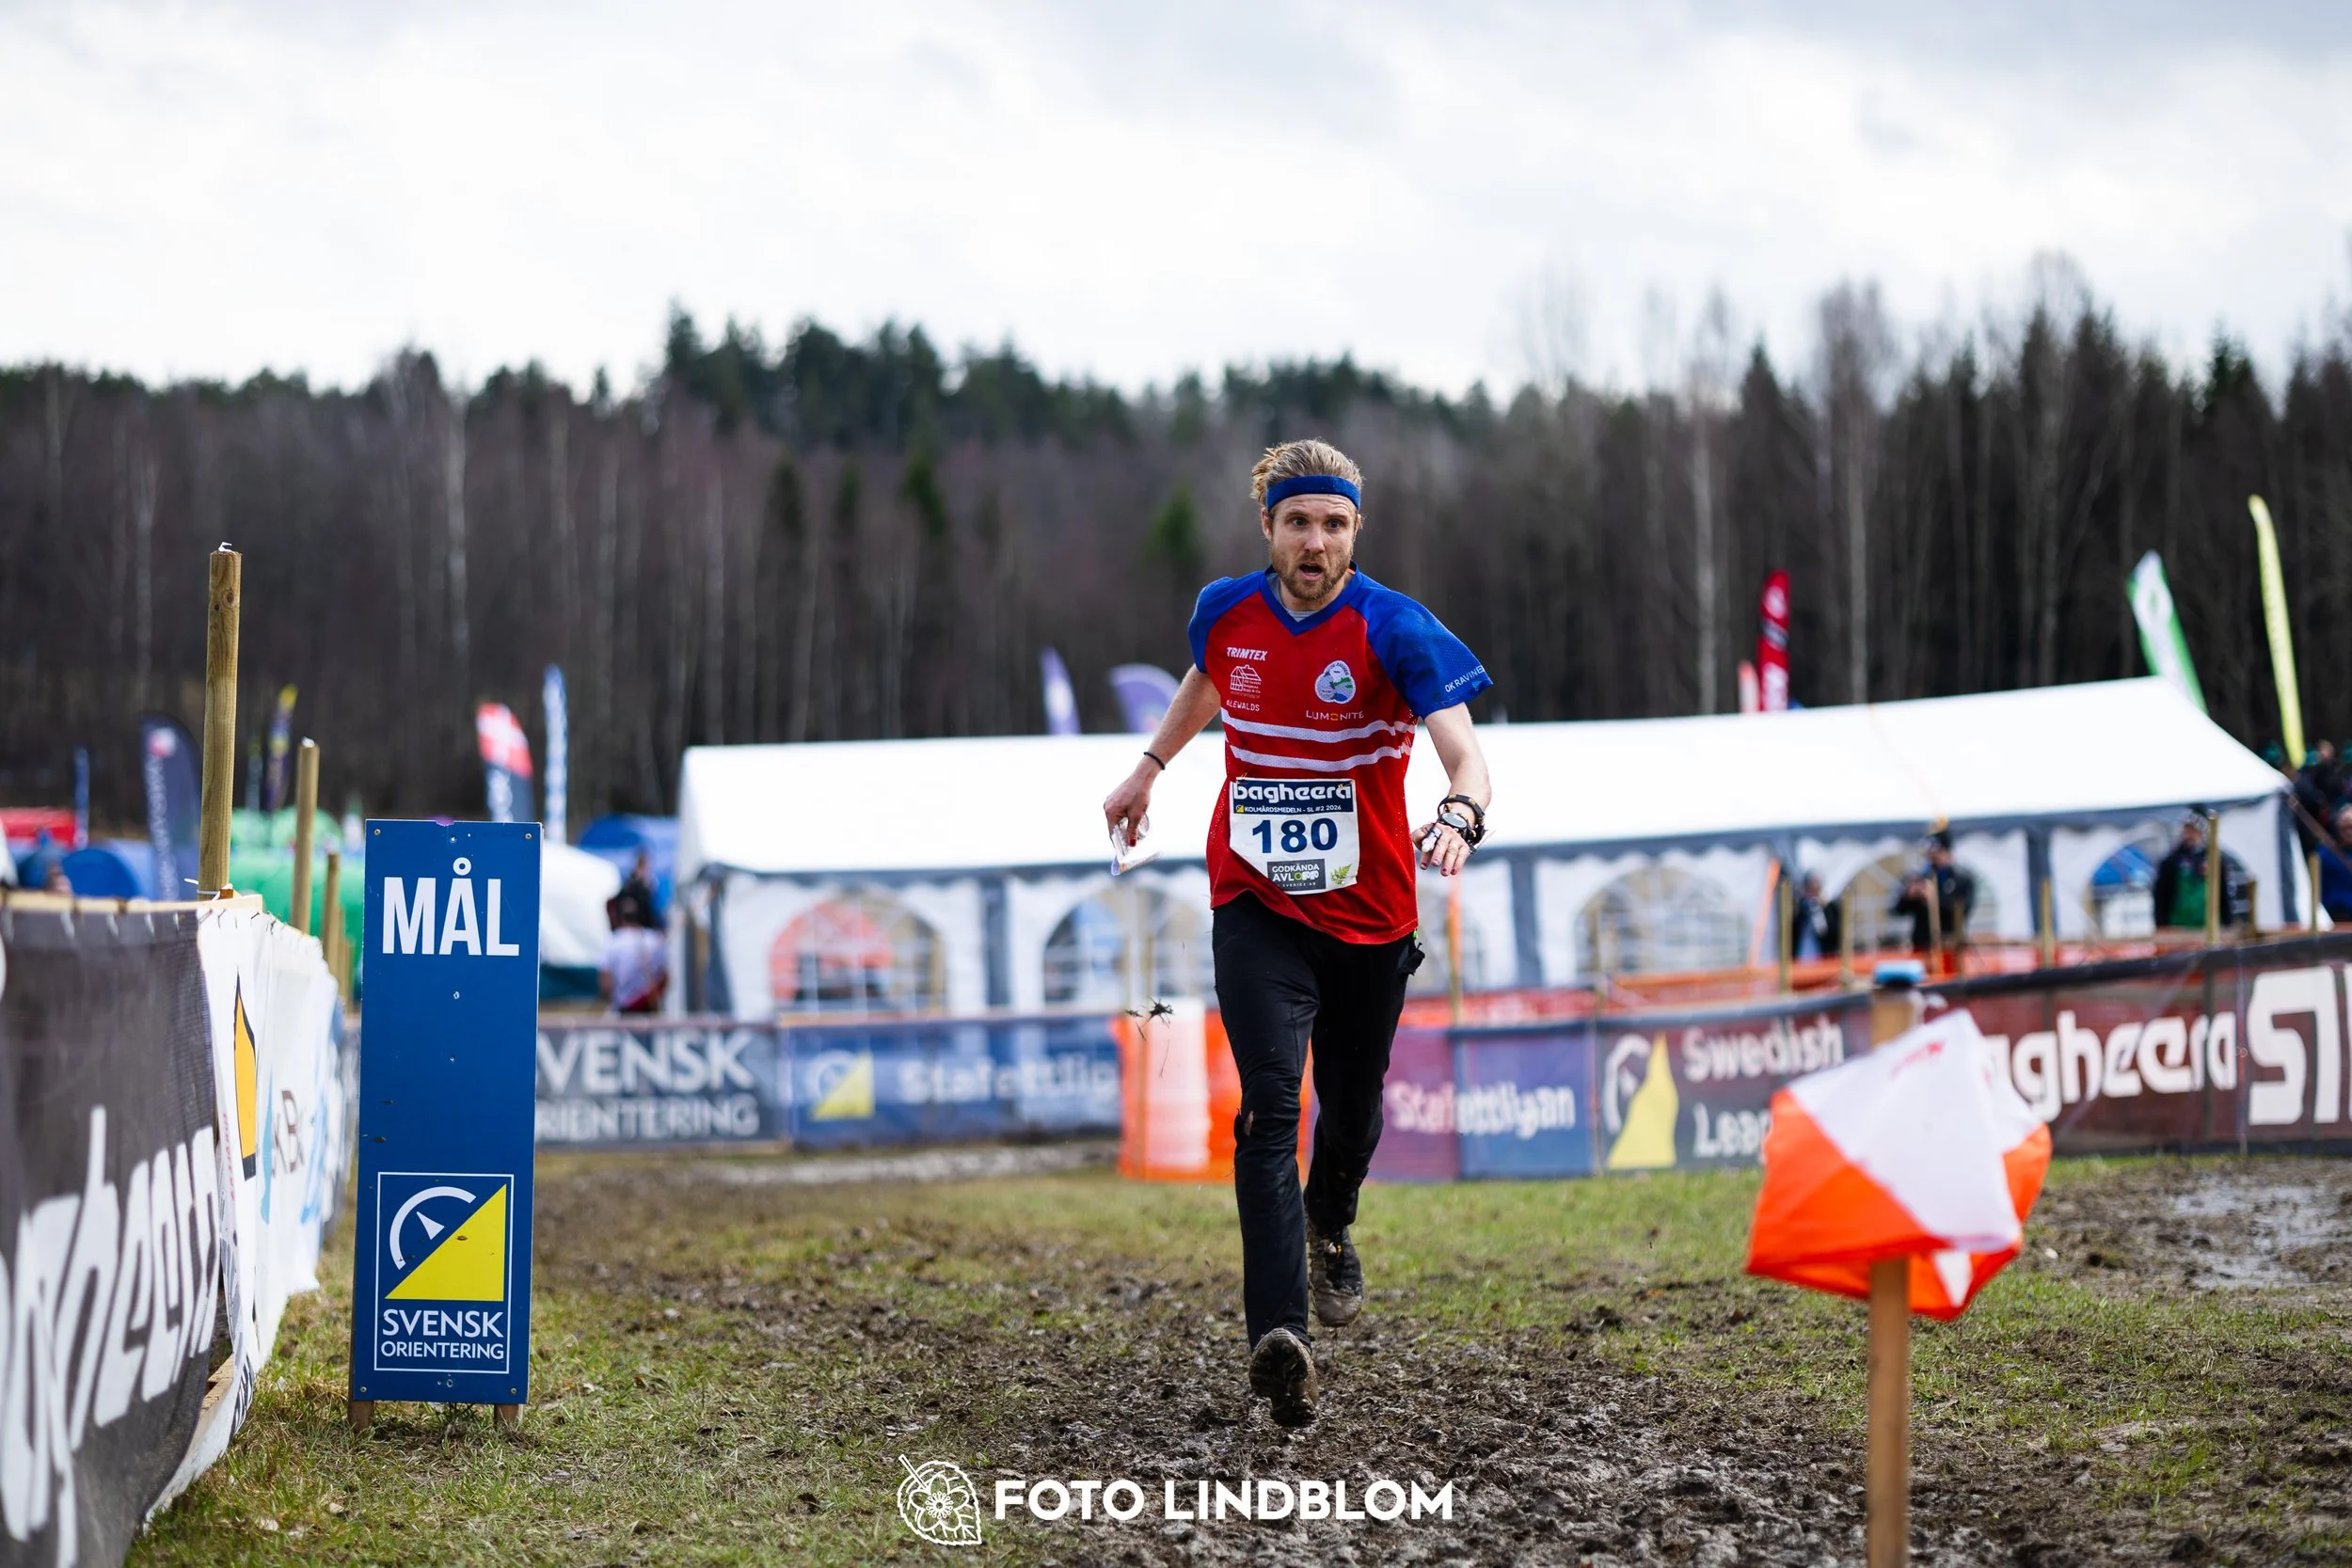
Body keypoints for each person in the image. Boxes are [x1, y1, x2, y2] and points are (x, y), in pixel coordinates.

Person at [1102, 438, 1492, 1429]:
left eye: (1332, 523)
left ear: (1356, 530)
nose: (1313, 540)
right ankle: (1281, 1340)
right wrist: (1150, 765)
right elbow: (1209, 679)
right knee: (1269, 1108)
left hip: (1368, 915)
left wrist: (1457, 814)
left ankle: (1332, 1222)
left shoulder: (1396, 628)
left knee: (1352, 1111)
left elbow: (1465, 756)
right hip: (1257, 901)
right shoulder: (1225, 610)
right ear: (1267, 528)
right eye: (1296, 522)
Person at [1891, 830, 1974, 958]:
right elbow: (1897, 910)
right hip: (1921, 945)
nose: (1933, 857)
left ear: (1948, 852)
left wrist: (1934, 899)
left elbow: (1963, 912)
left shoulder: (1962, 880)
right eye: (1930, 853)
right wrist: (1909, 896)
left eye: (1938, 853)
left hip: (1950, 947)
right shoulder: (1918, 877)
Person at [599, 895, 668, 1014]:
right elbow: (665, 977)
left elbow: (606, 983)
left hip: (625, 1011)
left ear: (620, 917)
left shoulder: (614, 942)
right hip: (650, 1011)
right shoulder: (655, 940)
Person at [1790, 870, 1839, 961]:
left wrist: (1820, 910)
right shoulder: (1802, 907)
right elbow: (1794, 930)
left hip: (1823, 956)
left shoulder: (1829, 906)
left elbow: (1831, 932)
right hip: (1803, 954)